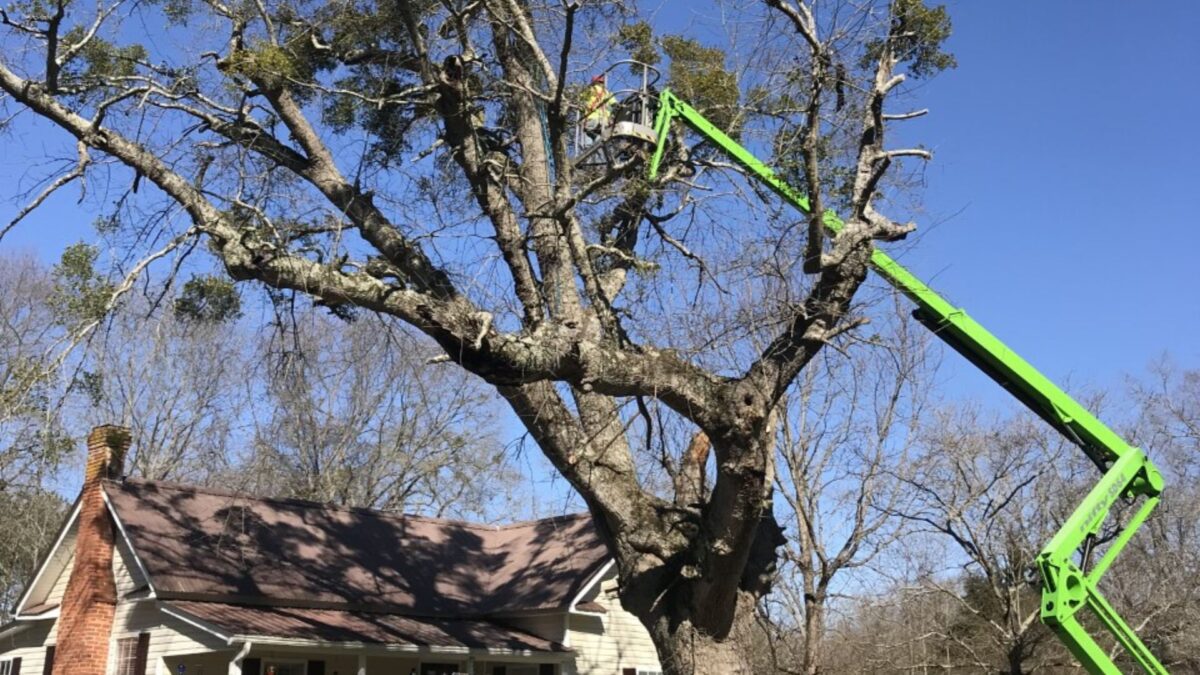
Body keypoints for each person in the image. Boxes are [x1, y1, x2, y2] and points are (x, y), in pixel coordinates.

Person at [581, 73, 613, 147]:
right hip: (604, 120)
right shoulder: (607, 93)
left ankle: (588, 150)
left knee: (588, 135)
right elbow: (614, 103)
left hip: (592, 117)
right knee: (601, 140)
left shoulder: (590, 90)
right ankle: (599, 144)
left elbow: (581, 98)